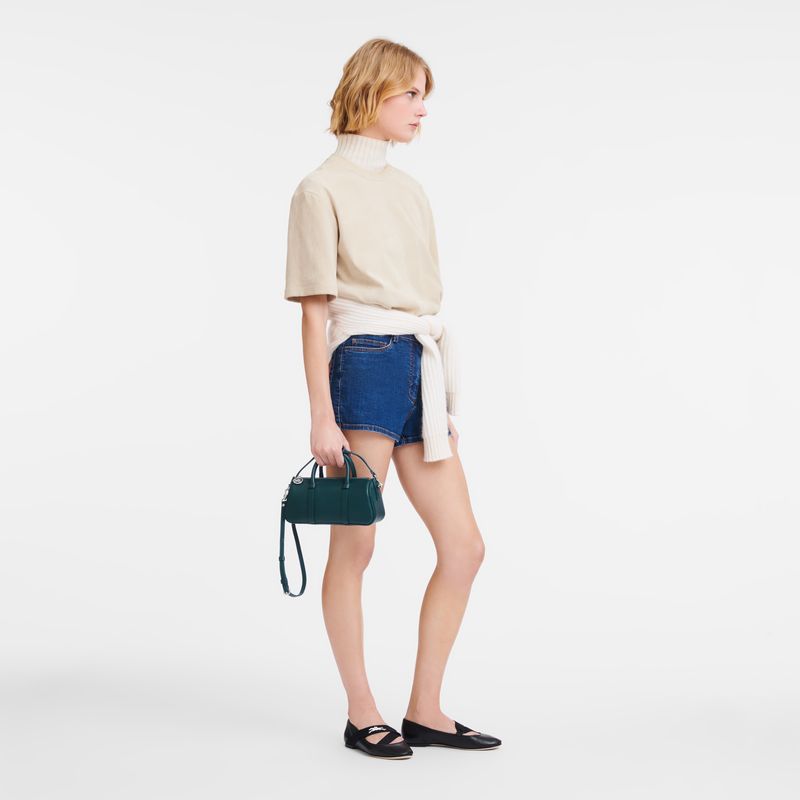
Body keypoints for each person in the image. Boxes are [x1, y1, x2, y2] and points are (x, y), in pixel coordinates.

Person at [283, 38, 502, 759]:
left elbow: (420, 301)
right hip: (365, 362)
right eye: (410, 94)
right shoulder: (320, 188)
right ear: (371, 93)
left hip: (418, 362)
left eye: (423, 95)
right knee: (357, 546)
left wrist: (438, 404)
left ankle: (426, 711)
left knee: (464, 548)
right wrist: (321, 416)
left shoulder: (409, 190)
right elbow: (314, 312)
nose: (421, 109)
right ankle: (362, 713)